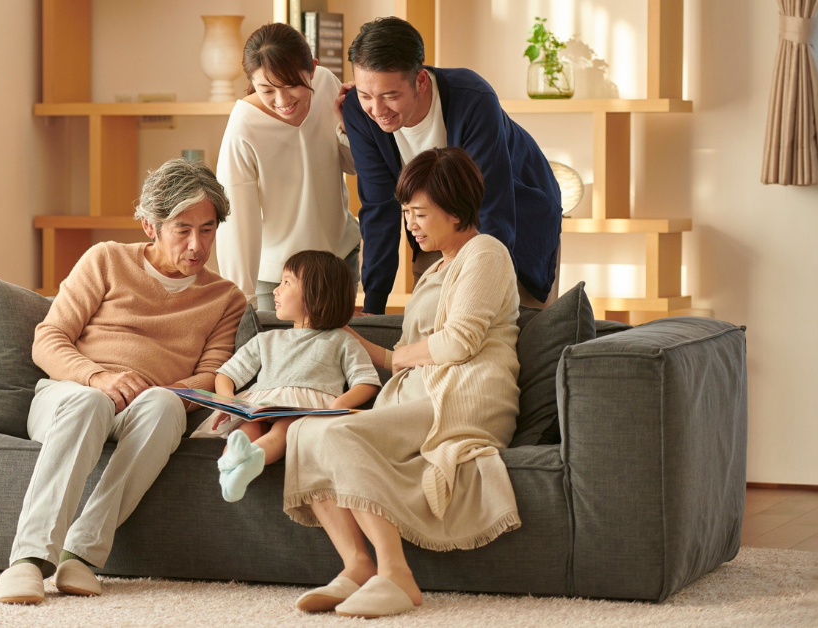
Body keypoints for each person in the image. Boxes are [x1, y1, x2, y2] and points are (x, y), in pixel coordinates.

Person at [0, 159, 247, 605]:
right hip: (71, 397)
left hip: (148, 409)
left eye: (207, 230)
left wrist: (166, 391)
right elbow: (48, 339)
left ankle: (81, 556)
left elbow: (213, 373)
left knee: (167, 406)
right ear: (151, 225)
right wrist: (98, 376)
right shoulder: (106, 259)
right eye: (182, 229)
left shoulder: (225, 298)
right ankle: (29, 561)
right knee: (90, 404)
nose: (196, 245)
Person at [284, 148, 522, 618]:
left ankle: (397, 576)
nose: (410, 223)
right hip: (420, 392)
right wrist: (345, 335)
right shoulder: (435, 267)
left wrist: (395, 359)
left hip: (462, 393)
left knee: (337, 431)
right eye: (406, 213)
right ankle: (356, 566)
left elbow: (457, 343)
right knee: (303, 430)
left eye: (419, 213)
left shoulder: (486, 253)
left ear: (455, 210)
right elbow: (406, 357)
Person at [337, 17, 561, 314]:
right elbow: (379, 207)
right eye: (366, 95)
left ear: (420, 80)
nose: (377, 111)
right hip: (437, 225)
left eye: (390, 96)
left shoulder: (472, 98)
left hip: (515, 217)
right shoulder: (358, 112)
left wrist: (490, 284)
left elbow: (493, 203)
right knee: (429, 321)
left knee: (511, 328)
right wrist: (373, 307)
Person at [191, 250, 381, 502]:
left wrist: (340, 405)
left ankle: (249, 461)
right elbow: (226, 374)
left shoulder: (341, 340)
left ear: (316, 293)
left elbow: (366, 381)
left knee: (284, 429)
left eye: (286, 282)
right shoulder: (266, 339)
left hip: (303, 410)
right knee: (248, 428)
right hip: (259, 406)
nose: (275, 290)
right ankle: (230, 470)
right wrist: (229, 402)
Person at [216, 22, 361, 311]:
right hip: (277, 277)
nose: (282, 101)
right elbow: (236, 222)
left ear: (313, 69)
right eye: (267, 90)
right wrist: (241, 300)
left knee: (335, 352)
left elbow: (353, 166)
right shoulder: (244, 126)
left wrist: (351, 126)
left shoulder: (327, 84)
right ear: (251, 82)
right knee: (278, 356)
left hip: (338, 258)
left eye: (292, 85)